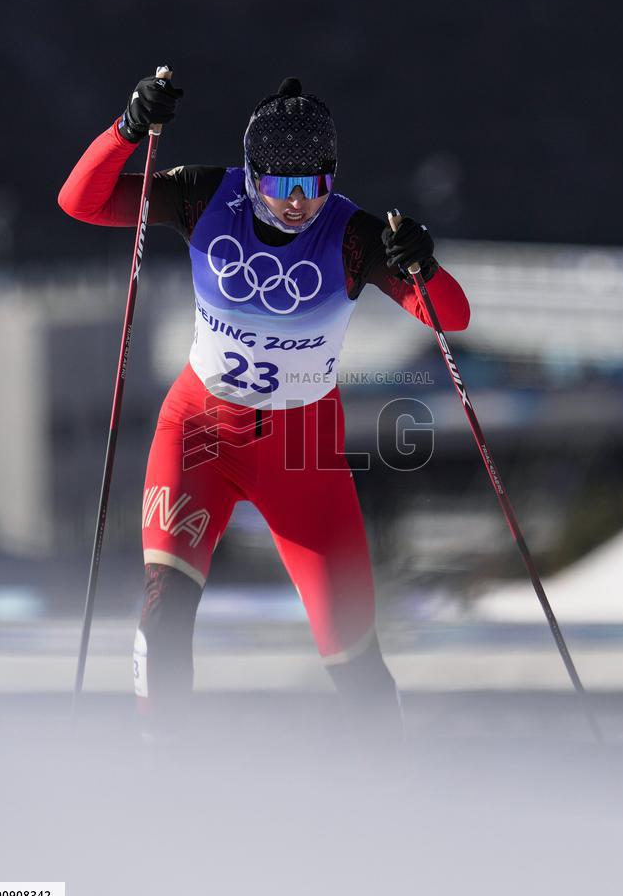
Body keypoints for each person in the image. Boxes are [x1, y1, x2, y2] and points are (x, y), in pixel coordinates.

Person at [58, 72, 470, 744]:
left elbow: (450, 316)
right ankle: (159, 772)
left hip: (299, 455)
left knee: (351, 653)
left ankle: (396, 788)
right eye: (281, 185)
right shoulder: (201, 196)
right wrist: (128, 129)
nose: (298, 204)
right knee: (163, 616)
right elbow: (82, 202)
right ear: (252, 176)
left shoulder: (354, 237)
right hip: (198, 434)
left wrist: (420, 264)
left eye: (315, 185)